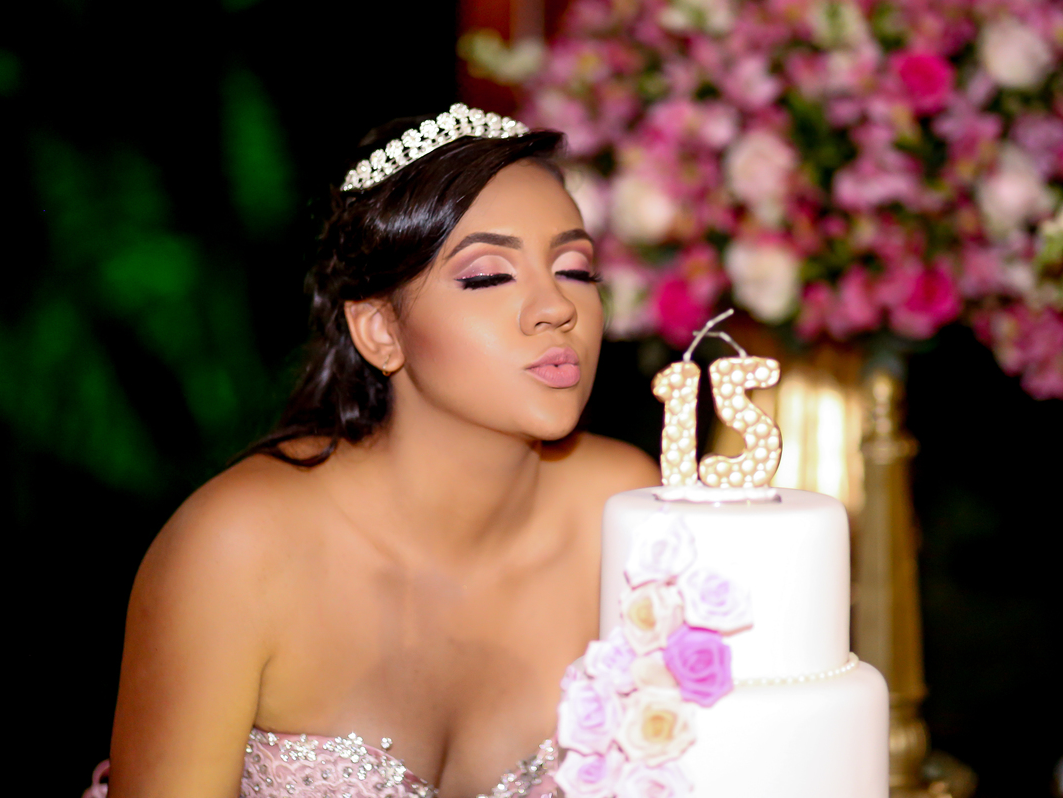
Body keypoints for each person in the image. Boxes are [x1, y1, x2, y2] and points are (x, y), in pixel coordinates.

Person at [93, 105, 660, 798]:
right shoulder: (236, 548)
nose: (556, 308)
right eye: (488, 276)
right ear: (380, 331)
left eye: (574, 269)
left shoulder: (618, 506)